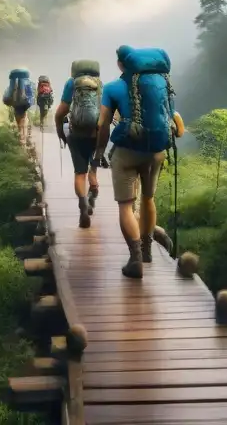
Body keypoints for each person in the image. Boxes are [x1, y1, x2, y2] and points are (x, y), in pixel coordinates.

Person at [92, 45, 176, 279]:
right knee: (148, 199)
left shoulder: (113, 88)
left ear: (121, 64)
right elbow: (172, 118)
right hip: (156, 152)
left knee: (126, 206)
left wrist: (99, 153)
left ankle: (135, 259)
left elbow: (103, 124)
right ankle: (148, 251)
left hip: (127, 153)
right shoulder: (163, 85)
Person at [55, 60, 102, 228]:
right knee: (92, 168)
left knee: (79, 173)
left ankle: (83, 208)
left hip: (76, 134)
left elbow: (61, 112)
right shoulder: (100, 84)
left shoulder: (71, 83)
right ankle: (93, 187)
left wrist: (60, 132)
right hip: (96, 134)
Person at [3, 68, 34, 145]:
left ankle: (22, 138)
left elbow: (6, 97)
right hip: (24, 104)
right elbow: (31, 96)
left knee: (20, 121)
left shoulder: (11, 86)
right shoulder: (28, 84)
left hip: (15, 105)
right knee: (23, 120)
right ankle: (23, 139)